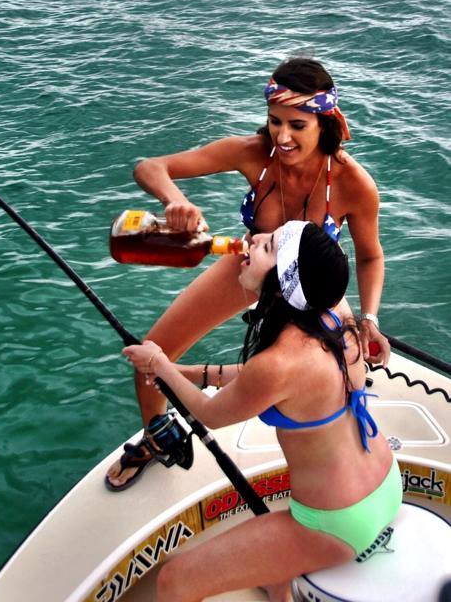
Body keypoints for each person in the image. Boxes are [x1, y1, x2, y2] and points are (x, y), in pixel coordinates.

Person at [106, 57, 388, 491]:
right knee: (153, 350)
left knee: (346, 368)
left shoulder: (354, 183)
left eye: (298, 125)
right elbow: (150, 167)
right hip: (249, 262)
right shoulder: (253, 153)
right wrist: (174, 201)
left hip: (307, 288)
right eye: (275, 122)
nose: (283, 136)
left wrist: (369, 319)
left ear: (325, 122)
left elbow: (369, 257)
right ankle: (155, 436)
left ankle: (343, 470)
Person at [123, 220, 400, 602]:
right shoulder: (334, 312)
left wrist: (160, 363)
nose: (252, 242)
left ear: (282, 282)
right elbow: (264, 381)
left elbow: (211, 413)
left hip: (338, 522)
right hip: (385, 482)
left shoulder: (278, 363)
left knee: (175, 582)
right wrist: (183, 372)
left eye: (268, 247)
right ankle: (278, 587)